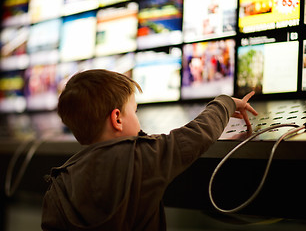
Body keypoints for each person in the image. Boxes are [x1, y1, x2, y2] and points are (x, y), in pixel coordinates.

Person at [41, 69, 258, 231]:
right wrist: (225, 102)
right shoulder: (141, 157)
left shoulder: (58, 185)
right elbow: (197, 135)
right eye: (134, 112)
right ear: (117, 118)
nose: (138, 120)